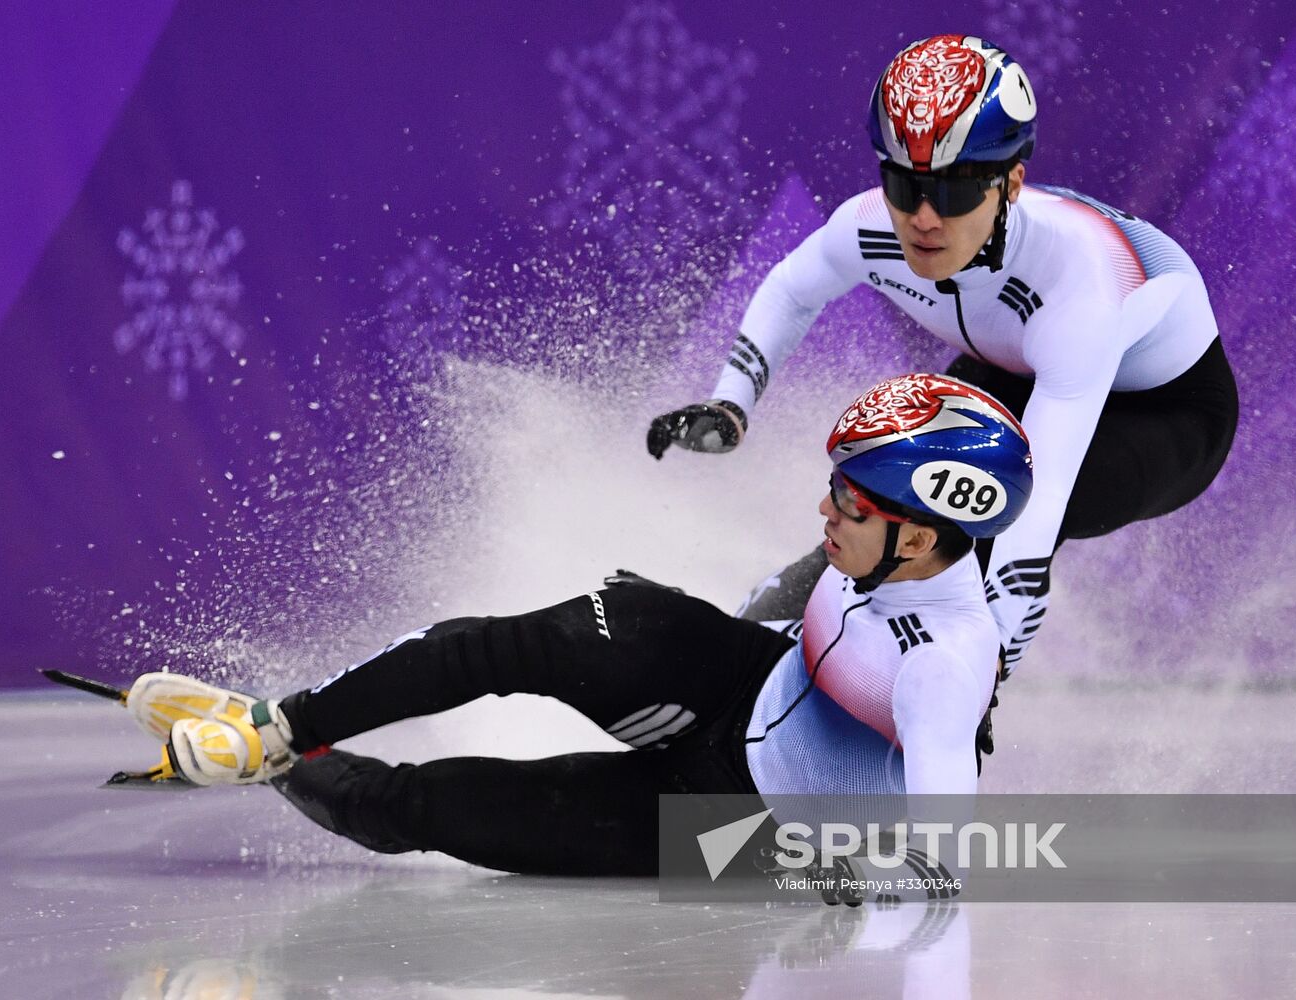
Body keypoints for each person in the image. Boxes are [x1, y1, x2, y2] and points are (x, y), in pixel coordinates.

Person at [121, 374, 1031, 891]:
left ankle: (281, 762)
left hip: (736, 826)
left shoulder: (945, 666)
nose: (823, 510)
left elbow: (944, 854)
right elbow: (794, 598)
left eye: (849, 500)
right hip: (737, 677)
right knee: (524, 643)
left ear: (917, 534)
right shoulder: (881, 546)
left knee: (417, 812)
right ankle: (277, 724)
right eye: (832, 485)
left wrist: (875, 872)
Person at [646, 34, 1238, 674]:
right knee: (881, 487)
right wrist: (731, 403)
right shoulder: (872, 225)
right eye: (904, 185)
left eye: (954, 192)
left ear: (1012, 184)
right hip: (1013, 368)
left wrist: (988, 678)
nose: (924, 218)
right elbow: (792, 290)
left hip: (1163, 412)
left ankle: (872, 676)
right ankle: (768, 631)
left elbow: (1025, 531)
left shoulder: (1081, 287)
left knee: (966, 520)